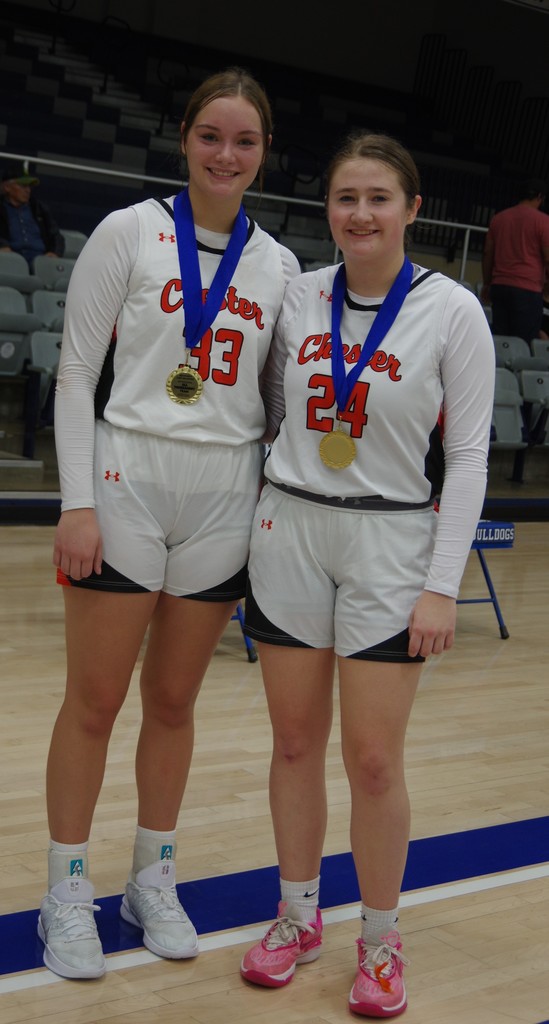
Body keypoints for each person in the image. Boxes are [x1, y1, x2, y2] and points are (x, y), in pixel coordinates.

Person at [38, 66, 300, 981]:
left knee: (176, 703)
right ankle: (66, 889)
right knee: (97, 700)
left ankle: (152, 875)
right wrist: (76, 502)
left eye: (245, 141)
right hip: (127, 475)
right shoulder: (130, 231)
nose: (225, 154)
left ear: (263, 155)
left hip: (224, 491)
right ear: (184, 140)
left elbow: (279, 404)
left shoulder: (279, 268)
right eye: (210, 136)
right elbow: (76, 372)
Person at [240, 132, 495, 1017]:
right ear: (328, 209)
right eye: (345, 196)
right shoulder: (298, 294)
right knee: (294, 745)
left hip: (389, 543)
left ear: (412, 208)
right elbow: (268, 409)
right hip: (290, 531)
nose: (360, 213)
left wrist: (439, 582)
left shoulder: (452, 309)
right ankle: (295, 916)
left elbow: (465, 459)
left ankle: (382, 942)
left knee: (375, 761)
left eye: (378, 197)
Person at [481, 176, 549, 343]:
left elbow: (487, 253)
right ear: (540, 197)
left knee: (500, 341)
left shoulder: (499, 218)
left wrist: (487, 283)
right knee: (524, 344)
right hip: (528, 289)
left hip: (500, 286)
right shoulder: (543, 221)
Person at [0, 160, 65, 265]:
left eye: (29, 186)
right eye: (23, 185)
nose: (28, 190)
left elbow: (57, 236)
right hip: (11, 260)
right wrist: (2, 246)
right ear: (7, 187)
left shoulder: (39, 209)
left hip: (41, 260)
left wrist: (55, 253)